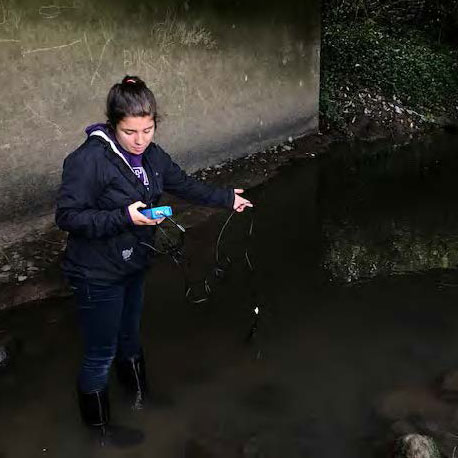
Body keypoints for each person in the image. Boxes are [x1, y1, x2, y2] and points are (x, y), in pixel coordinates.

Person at [55, 75, 252, 444]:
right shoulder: (87, 161)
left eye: (148, 129)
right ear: (113, 125)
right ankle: (99, 433)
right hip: (95, 271)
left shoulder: (152, 154)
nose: (140, 139)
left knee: (130, 337)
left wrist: (226, 198)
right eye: (131, 132)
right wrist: (123, 217)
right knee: (101, 352)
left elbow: (181, 182)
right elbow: (67, 217)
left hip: (133, 263)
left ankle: (140, 399)